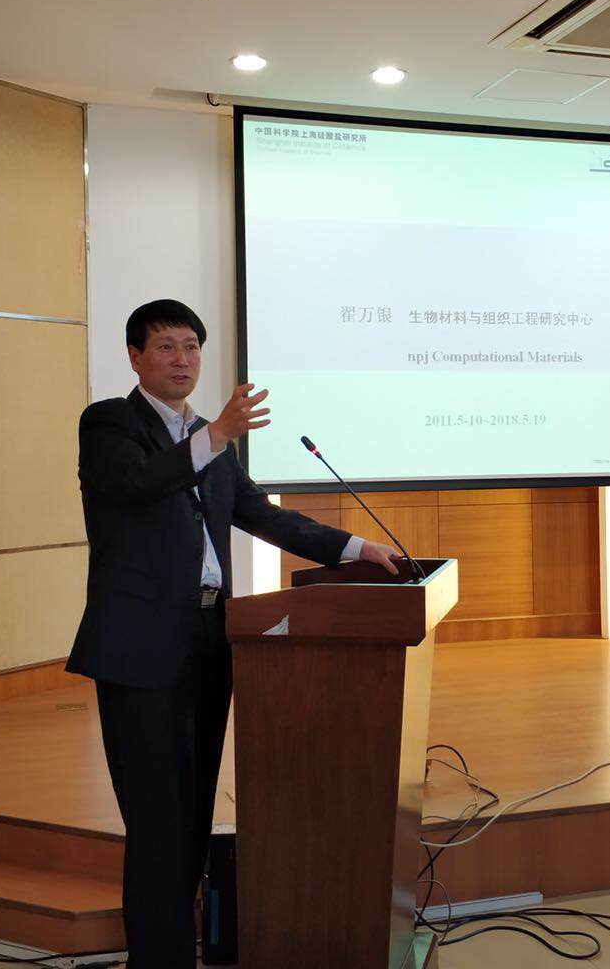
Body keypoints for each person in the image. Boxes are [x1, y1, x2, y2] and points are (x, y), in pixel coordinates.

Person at [66, 298, 399, 967]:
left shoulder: (209, 439)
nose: (183, 359)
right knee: (156, 818)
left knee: (192, 813)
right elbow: (138, 483)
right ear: (135, 356)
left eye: (192, 346)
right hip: (141, 649)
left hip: (211, 639)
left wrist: (355, 548)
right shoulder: (110, 424)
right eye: (167, 346)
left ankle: (176, 950)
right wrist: (216, 434)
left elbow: (263, 515)